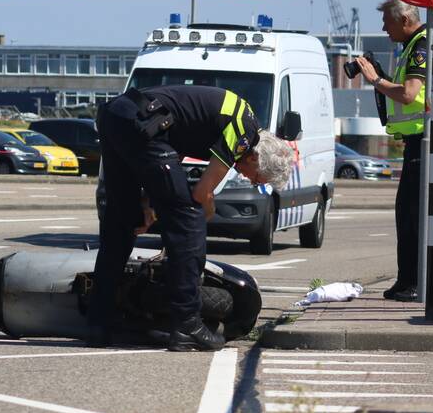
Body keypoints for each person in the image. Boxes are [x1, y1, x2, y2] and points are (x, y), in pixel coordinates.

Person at [88, 84, 294, 351]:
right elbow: (202, 192)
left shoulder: (236, 122)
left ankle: (98, 323)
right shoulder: (244, 130)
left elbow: (176, 147)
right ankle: (187, 324)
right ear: (256, 158)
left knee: (124, 222)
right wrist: (206, 210)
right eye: (256, 178)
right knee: (190, 220)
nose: (247, 179)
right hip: (141, 122)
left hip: (118, 116)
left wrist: (150, 201)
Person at [354, 0, 427, 303]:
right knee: (405, 215)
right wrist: (382, 77)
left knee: (413, 216)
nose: (384, 28)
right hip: (416, 143)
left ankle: (414, 282)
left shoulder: (420, 46)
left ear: (405, 20)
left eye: (387, 22)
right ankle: (406, 279)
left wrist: (375, 78)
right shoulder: (411, 46)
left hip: (424, 144)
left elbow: (409, 94)